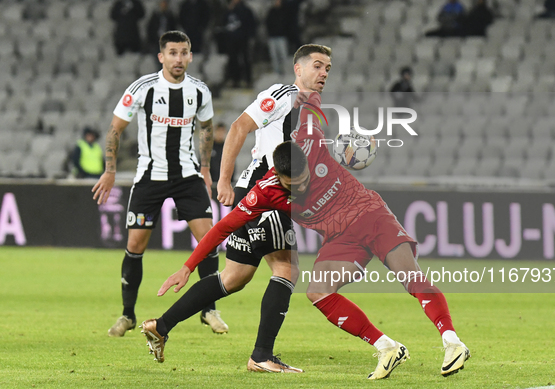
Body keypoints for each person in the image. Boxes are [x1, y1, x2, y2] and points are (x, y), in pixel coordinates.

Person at [140, 92, 470, 379]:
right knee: (317, 291)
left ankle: (453, 342)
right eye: (291, 184)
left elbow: (312, 104)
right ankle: (387, 347)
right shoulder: (264, 192)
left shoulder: (310, 141)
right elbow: (222, 228)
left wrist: (312, 83)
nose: (300, 187)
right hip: (341, 240)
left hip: (371, 217)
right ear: (278, 177)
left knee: (410, 277)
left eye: (303, 179)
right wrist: (187, 266)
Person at [139, 44, 331, 373]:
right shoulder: (282, 95)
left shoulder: (311, 108)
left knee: (235, 276)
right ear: (298, 69)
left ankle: (162, 325)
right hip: (263, 190)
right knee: (286, 270)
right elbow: (240, 127)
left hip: (263, 191)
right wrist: (223, 180)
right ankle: (261, 356)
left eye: (328, 68)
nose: (324, 72)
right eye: (317, 66)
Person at [91, 31, 228, 338]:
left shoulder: (199, 91)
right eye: (172, 53)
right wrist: (110, 171)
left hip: (187, 176)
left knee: (207, 240)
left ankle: (210, 310)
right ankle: (127, 315)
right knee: (135, 244)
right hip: (150, 176)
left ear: (190, 56)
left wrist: (205, 168)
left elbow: (206, 131)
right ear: (161, 57)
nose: (178, 58)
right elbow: (115, 130)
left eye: (183, 53)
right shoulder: (143, 88)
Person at [224, 0, 257, 88]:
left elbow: (251, 24)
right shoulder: (229, 10)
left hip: (243, 38)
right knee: (233, 60)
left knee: (245, 59)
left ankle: (247, 80)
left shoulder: (246, 10)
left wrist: (251, 37)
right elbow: (224, 22)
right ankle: (235, 80)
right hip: (232, 39)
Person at [265, 0, 290, 75]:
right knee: (274, 56)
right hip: (272, 37)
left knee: (283, 55)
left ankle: (285, 72)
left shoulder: (285, 11)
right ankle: (276, 72)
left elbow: (287, 24)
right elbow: (267, 23)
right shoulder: (271, 11)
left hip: (282, 36)